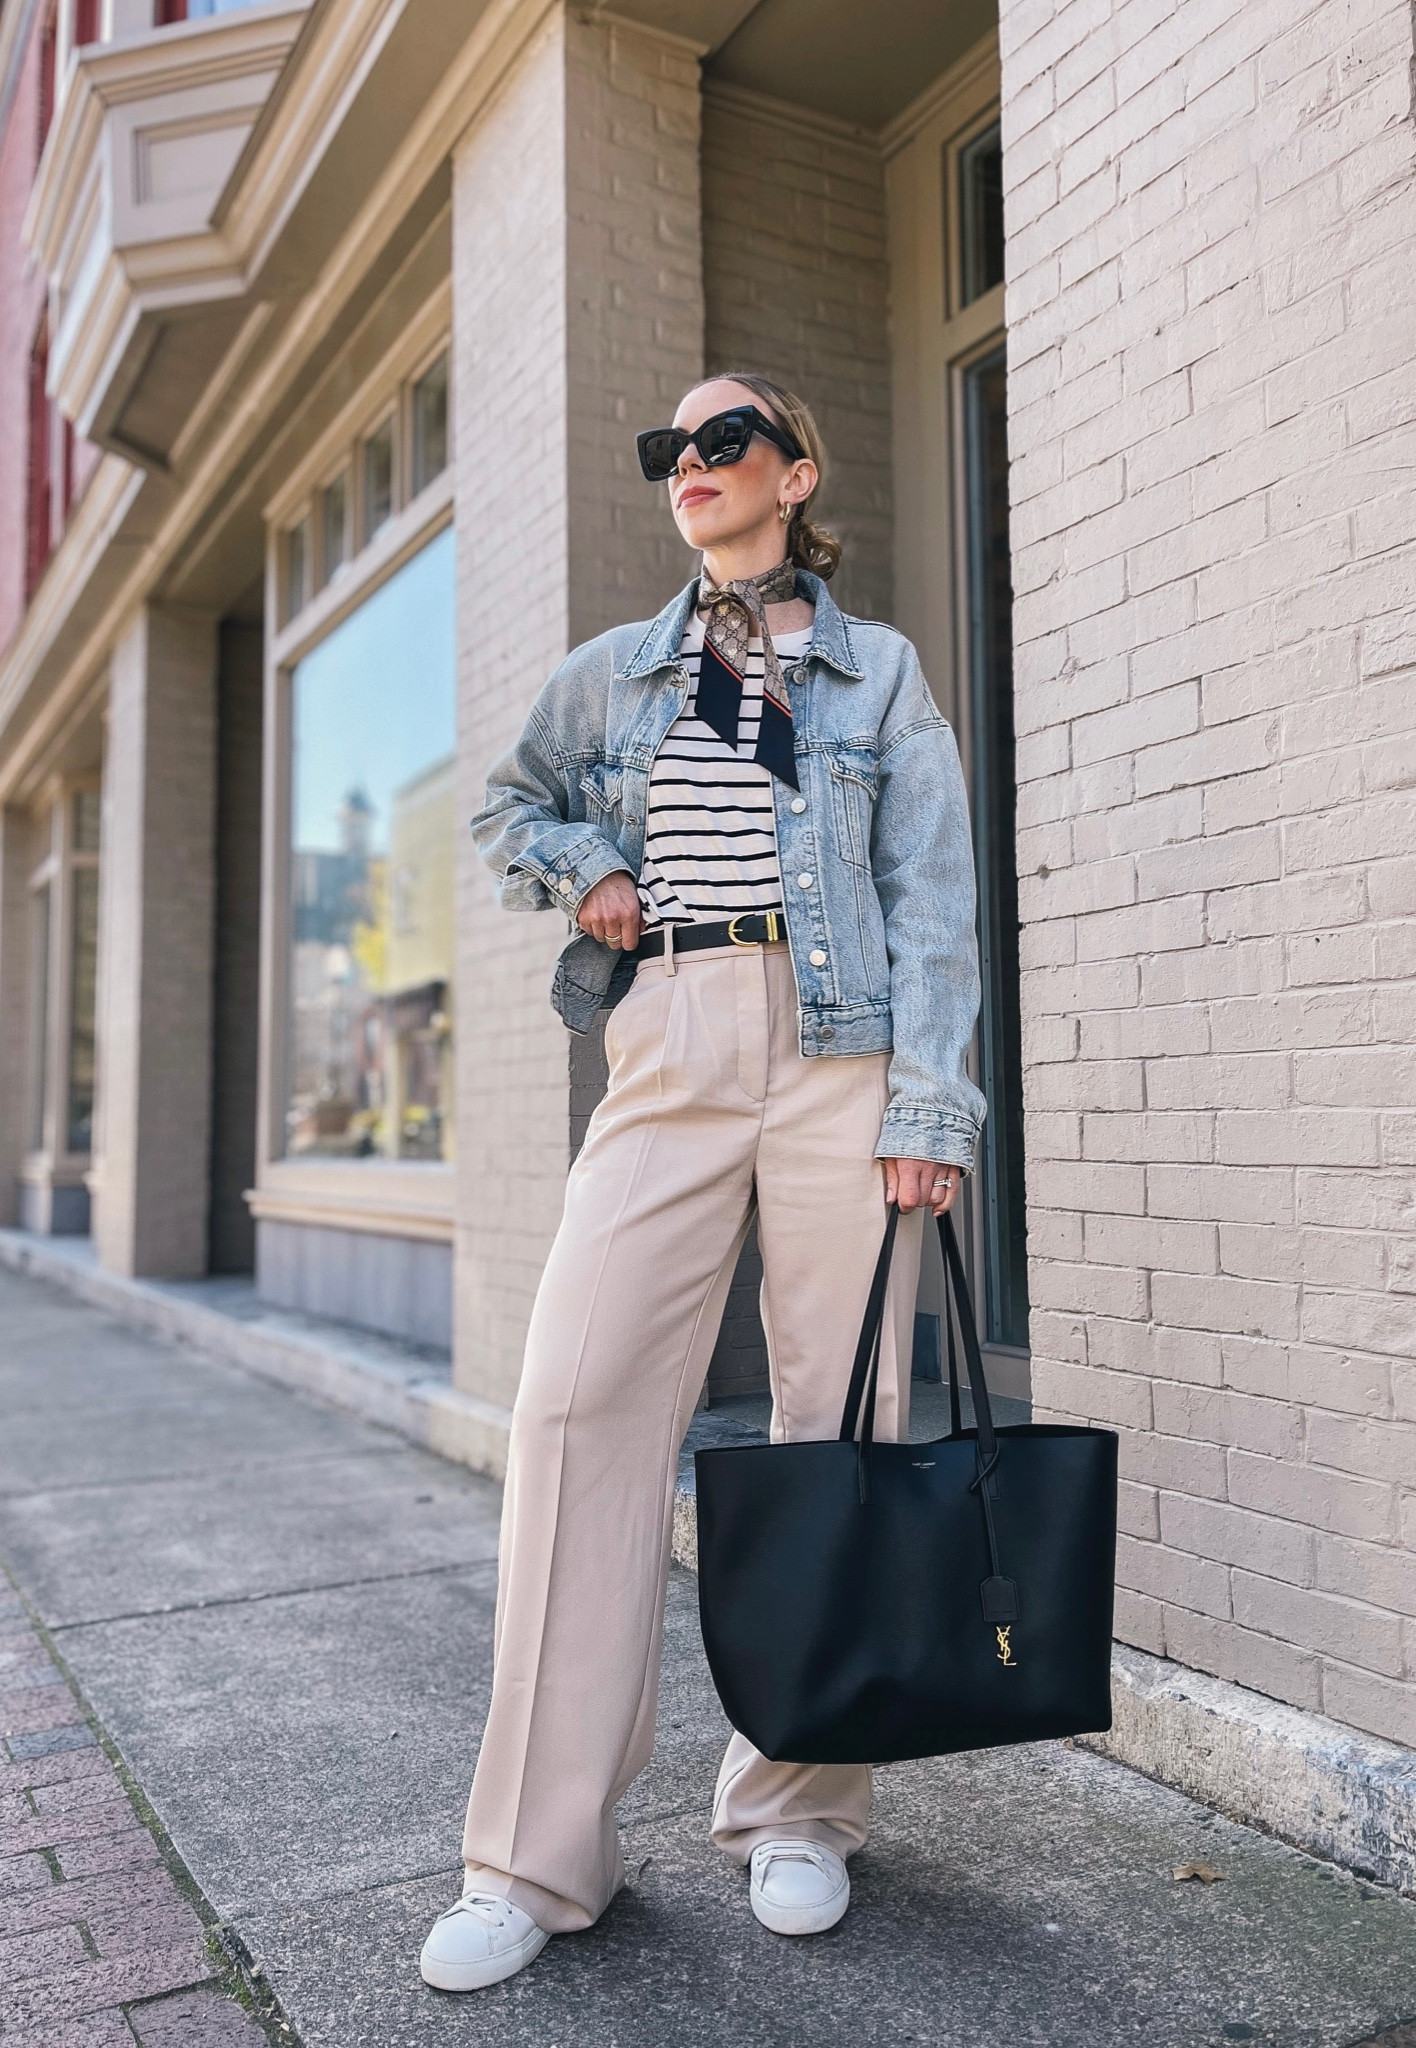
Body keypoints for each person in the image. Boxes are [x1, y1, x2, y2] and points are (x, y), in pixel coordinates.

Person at [419, 374, 985, 1992]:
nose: (691, 466)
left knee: (842, 1418)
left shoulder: (877, 673)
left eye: (725, 441)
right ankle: (532, 1858)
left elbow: (931, 896)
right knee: (575, 1408)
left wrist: (930, 1109)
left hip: (839, 1049)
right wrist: (587, 866)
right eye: (670, 448)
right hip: (664, 1043)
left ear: (796, 474)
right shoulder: (614, 671)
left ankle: (799, 1805)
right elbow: (509, 799)